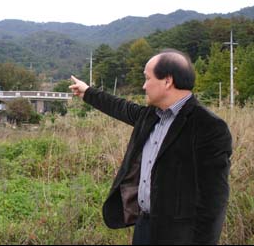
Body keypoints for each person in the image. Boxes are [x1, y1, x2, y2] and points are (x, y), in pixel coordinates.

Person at [69, 49, 232, 245]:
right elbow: (121, 107)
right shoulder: (151, 116)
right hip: (144, 226)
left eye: (147, 78)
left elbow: (213, 200)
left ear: (167, 81)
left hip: (178, 235)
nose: (144, 85)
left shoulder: (208, 126)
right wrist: (87, 92)